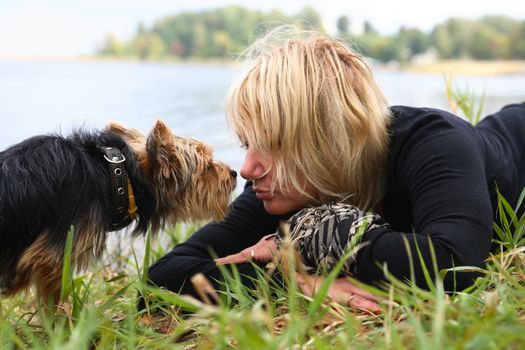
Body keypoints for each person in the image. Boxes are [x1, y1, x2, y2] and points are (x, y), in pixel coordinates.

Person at [142, 28, 525, 313]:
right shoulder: (281, 188)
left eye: (271, 146)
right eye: (246, 145)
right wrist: (292, 279)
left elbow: (457, 265)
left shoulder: (434, 144)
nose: (247, 169)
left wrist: (314, 238)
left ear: (329, 141)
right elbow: (163, 277)